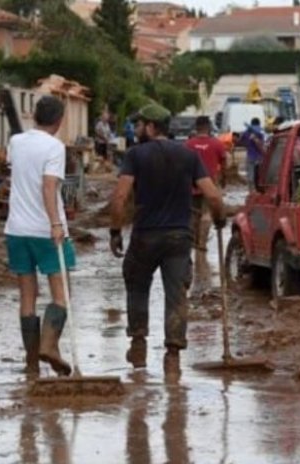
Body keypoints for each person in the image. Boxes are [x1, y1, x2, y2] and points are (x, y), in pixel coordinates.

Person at [109, 104, 226, 381]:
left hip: (145, 235)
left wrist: (115, 231)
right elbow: (212, 195)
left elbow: (120, 197)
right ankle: (172, 357)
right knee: (176, 294)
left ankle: (138, 344)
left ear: (151, 127)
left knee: (137, 287)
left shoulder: (135, 155)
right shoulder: (187, 155)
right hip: (179, 236)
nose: (137, 130)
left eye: (140, 125)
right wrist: (220, 218)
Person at [4, 96, 76, 379]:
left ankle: (32, 364)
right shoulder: (55, 147)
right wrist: (56, 223)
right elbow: (48, 187)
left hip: (16, 230)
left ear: (34, 116)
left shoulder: (16, 142)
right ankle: (49, 346)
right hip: (46, 231)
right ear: (59, 121)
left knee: (27, 297)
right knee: (61, 293)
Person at [185, 116, 228, 252]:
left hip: (191, 184)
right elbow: (224, 164)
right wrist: (223, 180)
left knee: (192, 213)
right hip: (210, 184)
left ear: (196, 128)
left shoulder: (188, 144)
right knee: (206, 213)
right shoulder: (217, 144)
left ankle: (192, 242)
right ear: (209, 127)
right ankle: (202, 243)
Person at [242, 118, 266, 190]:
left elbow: (241, 142)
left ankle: (251, 192)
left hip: (251, 157)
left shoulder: (246, 133)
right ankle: (259, 191)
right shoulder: (260, 133)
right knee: (260, 175)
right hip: (259, 157)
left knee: (251, 177)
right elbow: (262, 146)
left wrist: (249, 142)